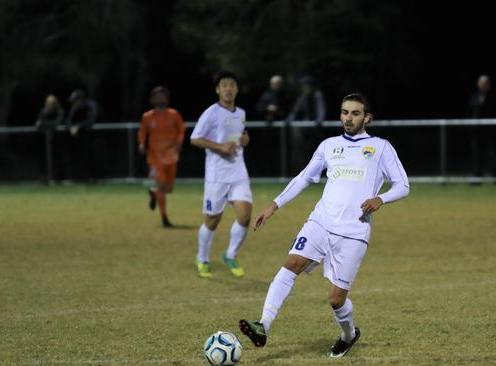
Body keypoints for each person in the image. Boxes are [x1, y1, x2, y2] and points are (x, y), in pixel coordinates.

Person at [239, 93, 410, 358]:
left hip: (354, 232)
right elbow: (304, 177)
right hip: (321, 221)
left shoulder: (381, 147)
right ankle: (263, 324)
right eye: (344, 112)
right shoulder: (329, 145)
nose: (348, 118)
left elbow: (403, 185)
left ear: (367, 118)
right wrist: (274, 205)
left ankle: (349, 334)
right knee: (291, 263)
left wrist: (380, 198)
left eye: (354, 113)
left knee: (335, 299)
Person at [190, 71, 252, 278]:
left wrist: (244, 140)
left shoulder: (240, 113)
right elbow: (195, 138)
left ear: (237, 89)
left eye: (232, 84)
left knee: (244, 216)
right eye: (224, 85)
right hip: (217, 175)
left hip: (238, 172)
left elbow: (237, 137)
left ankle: (230, 254)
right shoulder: (211, 113)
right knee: (213, 220)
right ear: (218, 89)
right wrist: (220, 147)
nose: (228, 88)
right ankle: (202, 258)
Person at [138, 86, 186, 228]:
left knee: (168, 188)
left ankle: (153, 193)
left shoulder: (174, 114)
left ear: (167, 98)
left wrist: (178, 143)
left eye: (162, 96)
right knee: (160, 186)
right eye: (157, 96)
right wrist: (141, 144)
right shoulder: (147, 117)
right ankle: (164, 218)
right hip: (155, 158)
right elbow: (142, 132)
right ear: (152, 99)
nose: (160, 99)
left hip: (171, 156)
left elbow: (181, 130)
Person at [285, 75, 326, 174]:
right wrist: (289, 119)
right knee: (301, 152)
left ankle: (317, 174)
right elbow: (295, 111)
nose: (304, 88)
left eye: (306, 85)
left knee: (317, 153)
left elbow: (321, 109)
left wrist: (319, 120)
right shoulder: (303, 97)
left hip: (316, 129)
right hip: (306, 129)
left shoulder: (318, 95)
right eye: (303, 86)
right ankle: (303, 173)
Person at [466, 74, 496, 182]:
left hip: (489, 130)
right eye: (481, 83)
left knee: (491, 153)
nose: (483, 85)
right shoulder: (474, 96)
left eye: (485, 83)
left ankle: (495, 176)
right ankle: (476, 176)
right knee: (476, 153)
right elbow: (470, 111)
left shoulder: (493, 96)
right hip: (476, 130)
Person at [65, 89, 100, 182]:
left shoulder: (92, 105)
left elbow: (91, 121)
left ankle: (96, 178)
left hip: (98, 137)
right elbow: (68, 121)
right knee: (81, 157)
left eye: (75, 101)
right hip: (83, 138)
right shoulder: (75, 108)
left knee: (94, 157)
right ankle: (83, 178)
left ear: (81, 100)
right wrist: (71, 127)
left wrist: (78, 126)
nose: (73, 103)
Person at [35, 94, 64, 183]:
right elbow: (38, 124)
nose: (50, 105)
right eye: (48, 103)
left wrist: (45, 124)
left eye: (52, 103)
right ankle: (44, 178)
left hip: (56, 139)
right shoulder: (43, 111)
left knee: (57, 159)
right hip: (44, 141)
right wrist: (43, 124)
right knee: (44, 160)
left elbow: (56, 123)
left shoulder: (59, 111)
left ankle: (57, 178)